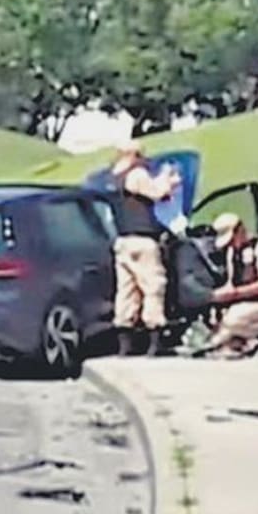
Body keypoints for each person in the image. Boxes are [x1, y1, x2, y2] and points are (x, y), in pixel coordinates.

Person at [111, 139, 181, 356]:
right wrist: (168, 177)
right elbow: (157, 192)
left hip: (123, 241)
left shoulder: (115, 177)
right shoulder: (136, 174)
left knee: (127, 291)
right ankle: (155, 341)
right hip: (143, 240)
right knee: (153, 287)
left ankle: (125, 344)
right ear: (135, 156)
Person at [203, 212, 258, 358]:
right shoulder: (232, 252)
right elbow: (231, 281)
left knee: (232, 320)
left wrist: (236, 293)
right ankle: (234, 342)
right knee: (217, 319)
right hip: (240, 303)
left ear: (240, 230)